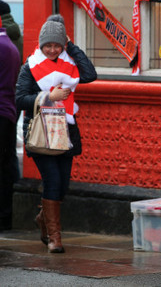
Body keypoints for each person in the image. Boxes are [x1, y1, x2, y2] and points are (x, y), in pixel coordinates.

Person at [16, 14, 97, 253]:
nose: (52, 49)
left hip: (65, 130)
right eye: (48, 45)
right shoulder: (29, 66)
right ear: (41, 45)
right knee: (52, 180)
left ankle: (43, 219)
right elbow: (20, 99)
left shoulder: (69, 63)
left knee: (63, 185)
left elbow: (90, 74)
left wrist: (71, 46)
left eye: (57, 45)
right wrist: (47, 97)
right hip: (40, 132)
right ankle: (55, 238)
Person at [0, 17, 21, 231]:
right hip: (7, 112)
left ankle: (4, 217)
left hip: (2, 113)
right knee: (6, 166)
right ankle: (5, 218)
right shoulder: (10, 45)